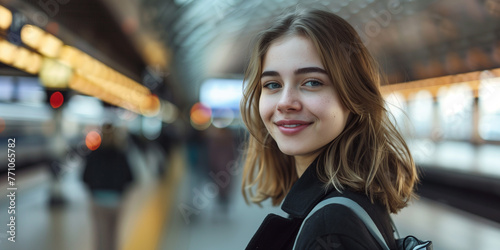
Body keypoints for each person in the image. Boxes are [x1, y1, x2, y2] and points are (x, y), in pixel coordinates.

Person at [240, 9, 418, 250]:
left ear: (353, 96)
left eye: (312, 82)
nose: (285, 102)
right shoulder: (357, 202)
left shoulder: (330, 228)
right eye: (272, 85)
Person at [82, 123, 134, 250]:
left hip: (98, 201)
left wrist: (94, 190)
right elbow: (131, 177)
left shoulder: (93, 155)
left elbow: (84, 177)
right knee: (113, 235)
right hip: (116, 201)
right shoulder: (121, 154)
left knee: (100, 235)